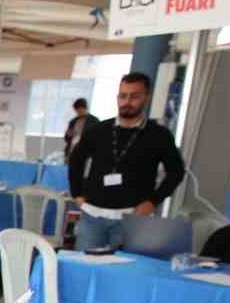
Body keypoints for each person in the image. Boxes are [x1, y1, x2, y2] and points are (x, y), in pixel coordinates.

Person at [68, 72, 185, 251]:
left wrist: (153, 201)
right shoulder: (99, 130)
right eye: (123, 96)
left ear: (147, 97)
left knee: (122, 273)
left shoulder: (158, 135)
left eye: (135, 96)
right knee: (84, 269)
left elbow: (176, 171)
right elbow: (76, 159)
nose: (127, 102)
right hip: (92, 216)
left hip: (131, 220)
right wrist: (76, 194)